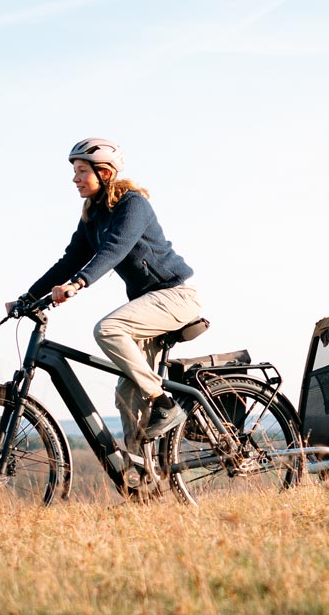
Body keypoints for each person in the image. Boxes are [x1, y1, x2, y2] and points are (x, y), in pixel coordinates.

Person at [12, 138, 201, 455]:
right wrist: (28, 297)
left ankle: (165, 402)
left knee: (108, 328)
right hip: (147, 305)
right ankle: (143, 480)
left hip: (175, 295)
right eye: (74, 171)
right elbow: (69, 260)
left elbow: (116, 248)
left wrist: (79, 283)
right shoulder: (93, 215)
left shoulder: (132, 205)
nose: (75, 179)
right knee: (127, 394)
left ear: (105, 172)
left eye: (82, 171)